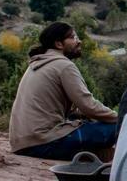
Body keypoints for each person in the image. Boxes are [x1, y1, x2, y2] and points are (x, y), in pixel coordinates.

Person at [8, 22, 118, 160]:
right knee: (118, 128)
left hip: (22, 142)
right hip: (43, 141)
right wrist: (121, 118)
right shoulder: (64, 65)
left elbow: (79, 111)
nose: (79, 41)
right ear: (59, 44)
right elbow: (88, 106)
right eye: (73, 37)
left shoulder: (37, 63)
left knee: (92, 134)